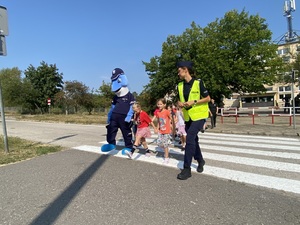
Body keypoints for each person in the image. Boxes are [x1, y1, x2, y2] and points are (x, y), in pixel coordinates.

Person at [176, 61, 211, 180]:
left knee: (190, 137)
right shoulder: (179, 85)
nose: (178, 73)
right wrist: (179, 103)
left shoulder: (198, 83)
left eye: (179, 70)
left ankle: (187, 169)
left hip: (200, 116)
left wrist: (194, 101)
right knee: (194, 140)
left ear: (185, 69)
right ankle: (200, 160)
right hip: (188, 116)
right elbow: (178, 101)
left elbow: (208, 98)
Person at [153, 98, 172, 164]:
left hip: (166, 131)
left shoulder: (167, 111)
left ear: (164, 105)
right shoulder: (158, 112)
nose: (159, 105)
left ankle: (166, 157)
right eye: (158, 104)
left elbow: (171, 119)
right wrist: (157, 129)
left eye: (161, 104)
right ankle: (165, 148)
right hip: (161, 131)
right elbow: (159, 122)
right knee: (159, 143)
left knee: (165, 145)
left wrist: (172, 126)